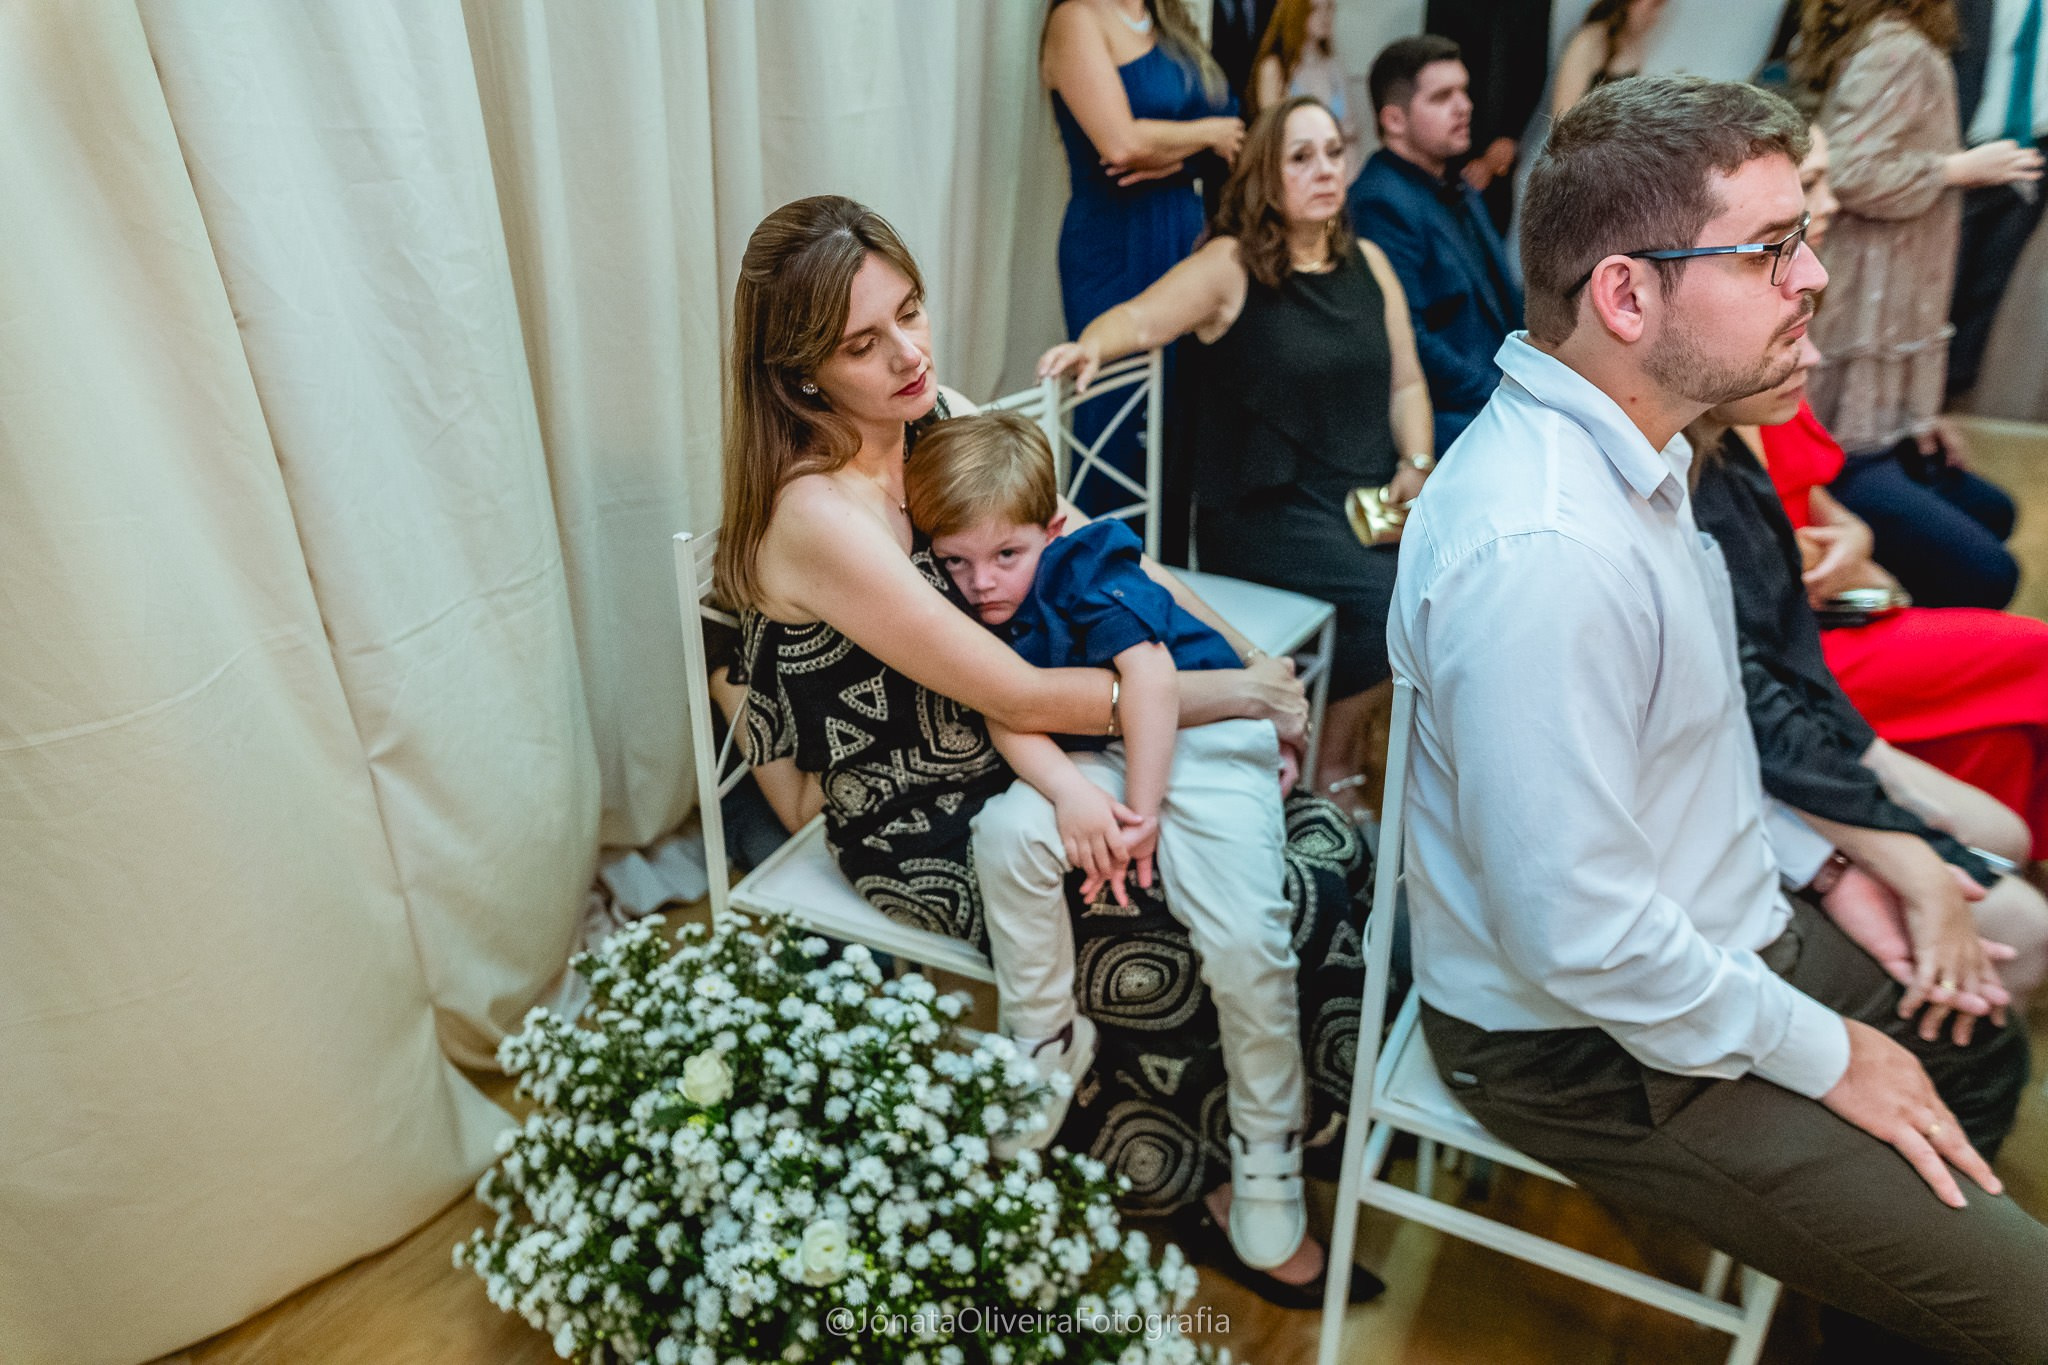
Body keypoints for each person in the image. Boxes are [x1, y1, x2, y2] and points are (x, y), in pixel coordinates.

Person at [1387, 74, 2048, 1358]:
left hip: (1710, 937)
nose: (1813, 276)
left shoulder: (1644, 450)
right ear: (1625, 296)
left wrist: (1827, 868)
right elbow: (1580, 940)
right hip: (1585, 1046)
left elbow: (1687, 751)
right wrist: (1830, 1052)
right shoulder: (1542, 556)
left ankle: (1856, 1303)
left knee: (1975, 1036)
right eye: (1768, 249)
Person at [716, 194, 1379, 1308]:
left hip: (1041, 753)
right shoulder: (816, 514)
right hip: (920, 813)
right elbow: (1014, 688)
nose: (909, 354)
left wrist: (1250, 659)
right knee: (1159, 907)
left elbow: (1106, 561)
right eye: (862, 344)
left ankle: (1275, 1128)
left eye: (910, 312)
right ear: (799, 376)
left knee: (1314, 848)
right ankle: (1187, 1175)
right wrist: (1226, 695)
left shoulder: (941, 421)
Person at [904, 411, 1310, 1274]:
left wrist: (1141, 816)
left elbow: (1152, 683)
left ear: (1052, 530)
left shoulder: (1086, 564)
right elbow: (1007, 708)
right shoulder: (969, 600)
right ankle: (1044, 1036)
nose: (982, 582)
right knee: (1005, 830)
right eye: (956, 561)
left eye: (1005, 555)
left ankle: (1268, 1134)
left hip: (1200, 735)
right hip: (1096, 745)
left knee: (1247, 939)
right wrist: (1072, 794)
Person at [1040, 96, 1435, 810]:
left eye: (1334, 152)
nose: (1325, 169)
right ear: (1265, 176)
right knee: (1394, 599)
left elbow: (1406, 381)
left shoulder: (1370, 263)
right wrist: (1091, 344)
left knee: (1441, 574)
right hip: (1265, 514)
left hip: (1364, 499)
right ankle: (1328, 766)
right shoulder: (1231, 265)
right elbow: (1143, 317)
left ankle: (1340, 755)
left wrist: (1417, 463)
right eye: (1300, 157)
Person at [1684, 337, 2048, 1019]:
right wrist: (1875, 845)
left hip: (1808, 657)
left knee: (2003, 788)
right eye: (1787, 327)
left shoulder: (1734, 435)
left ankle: (1980, 1010)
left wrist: (1856, 544)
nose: (1816, 355)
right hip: (1795, 685)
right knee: (2031, 647)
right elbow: (1756, 701)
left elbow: (1806, 555)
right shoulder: (1685, 468)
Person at [1795, 0, 2042, 580]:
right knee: (1985, 559)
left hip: (1887, 281)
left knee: (1992, 514)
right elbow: (1852, 171)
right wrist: (1956, 169)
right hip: (1870, 283)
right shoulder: (1897, 48)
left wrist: (1915, 413)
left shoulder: (1890, 40)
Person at [1041, 0, 1243, 522]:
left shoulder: (1171, 18)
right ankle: (1107, 555)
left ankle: (1168, 557)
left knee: (1180, 416)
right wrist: (1208, 135)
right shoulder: (1076, 19)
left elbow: (1238, 133)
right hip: (1116, 240)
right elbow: (1121, 144)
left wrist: (1179, 154)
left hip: (1186, 231)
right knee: (1119, 416)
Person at [1350, 37, 1523, 454]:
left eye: (1463, 91)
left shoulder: (1457, 184)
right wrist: (1505, 396)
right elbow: (1408, 338)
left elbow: (1503, 299)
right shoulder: (1379, 200)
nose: (1464, 106)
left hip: (1498, 396)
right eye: (1443, 97)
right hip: (1447, 417)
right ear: (1394, 119)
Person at [1946, 0, 2048, 399]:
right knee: (1942, 277)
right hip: (1964, 148)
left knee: (1992, 282)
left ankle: (1951, 392)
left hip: (2034, 149)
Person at [1425, 0, 1557, 230]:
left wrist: (1510, 138)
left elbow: (1535, 68)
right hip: (1453, 145)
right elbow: (1434, 68)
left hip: (1513, 145)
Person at [1248, 0, 1359, 182]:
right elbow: (1271, 138)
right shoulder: (1275, 68)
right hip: (1294, 177)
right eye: (1315, 9)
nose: (1325, 16)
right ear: (1296, 13)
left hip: (1341, 175)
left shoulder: (1333, 66)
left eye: (1329, 8)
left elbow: (1351, 132)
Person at [1549, 0, 1667, 116]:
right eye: (1653, 6)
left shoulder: (1634, 48)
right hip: (1579, 127)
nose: (1656, 17)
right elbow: (1562, 114)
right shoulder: (1588, 41)